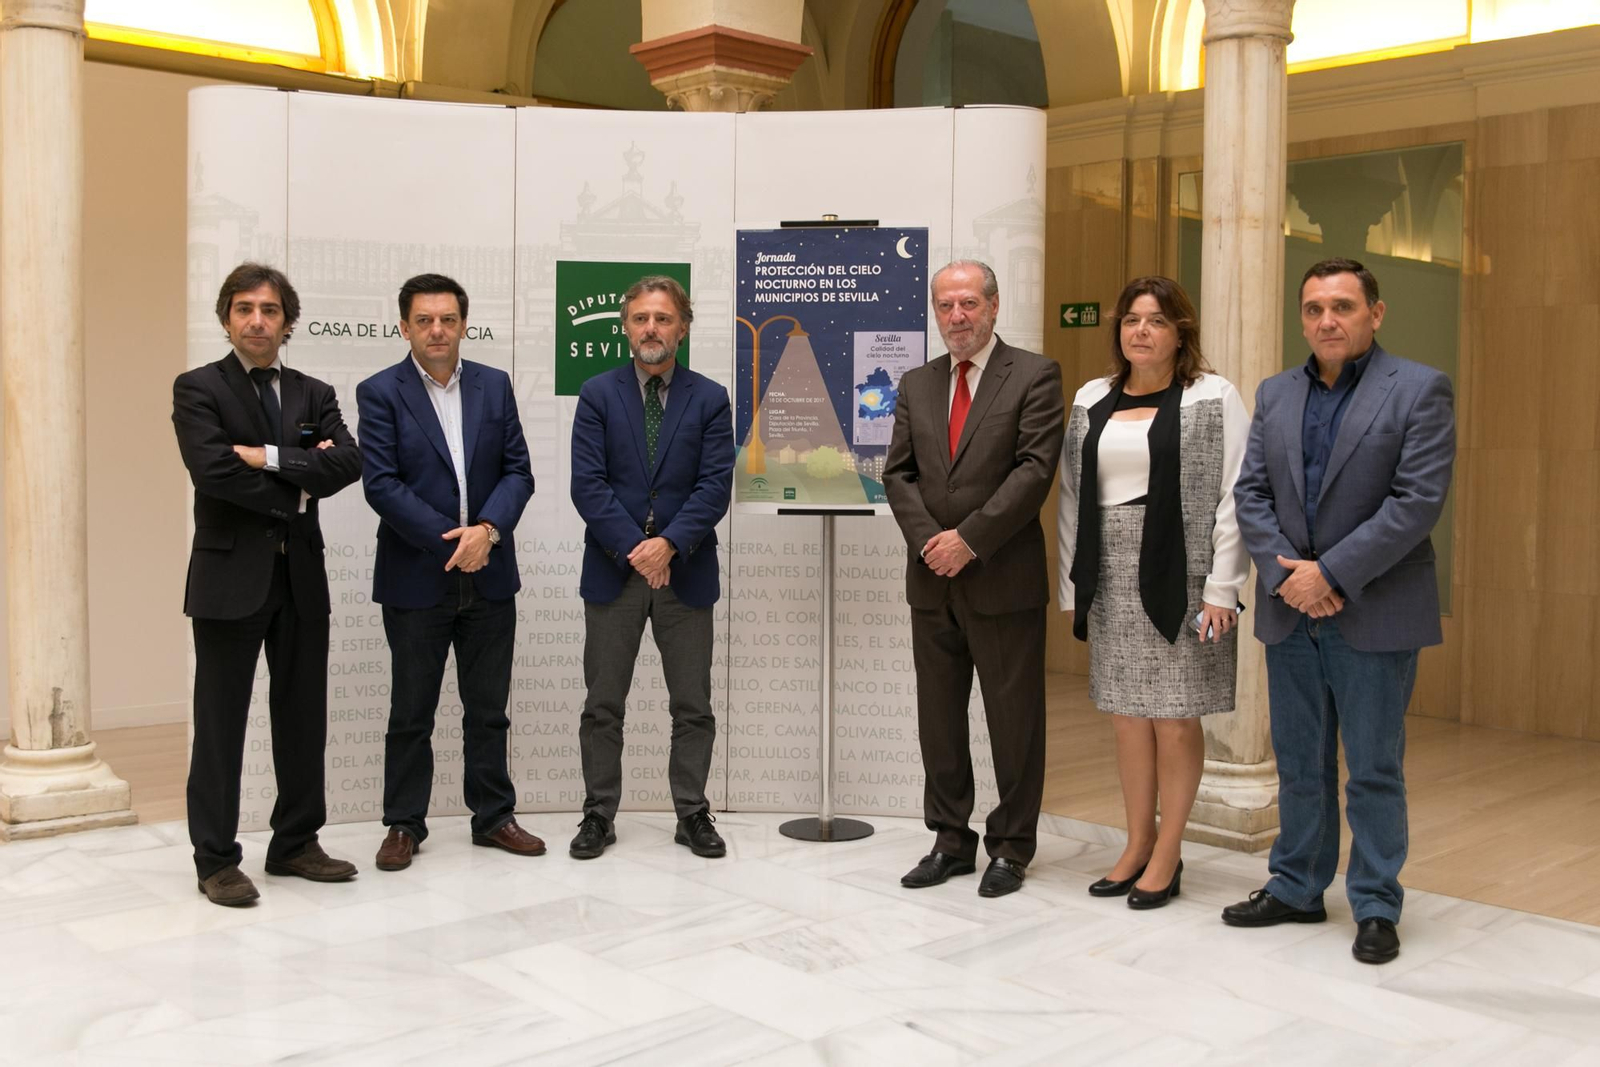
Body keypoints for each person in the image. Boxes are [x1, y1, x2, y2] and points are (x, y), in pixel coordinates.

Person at [1224, 257, 1455, 964]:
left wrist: (1331, 573)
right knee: (1299, 760)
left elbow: (1416, 502)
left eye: (1344, 307)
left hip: (1374, 609)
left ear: (1374, 314)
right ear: (1303, 317)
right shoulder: (1275, 393)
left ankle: (1377, 902)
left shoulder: (1418, 389)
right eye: (1315, 307)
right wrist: (1287, 575)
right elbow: (1252, 493)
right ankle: (1295, 884)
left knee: (1374, 765)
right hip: (1292, 610)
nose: (1328, 319)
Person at [172, 262, 363, 906]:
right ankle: (216, 858)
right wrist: (296, 492)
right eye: (245, 308)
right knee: (221, 722)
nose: (258, 320)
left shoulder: (312, 393)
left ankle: (295, 844)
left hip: (302, 579)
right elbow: (214, 472)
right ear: (226, 318)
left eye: (271, 310)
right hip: (229, 580)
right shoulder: (198, 389)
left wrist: (270, 457)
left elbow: (346, 463)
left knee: (304, 717)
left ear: (288, 322)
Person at [1056, 276, 1250, 909]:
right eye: (1132, 320)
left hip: (1181, 574)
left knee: (1173, 716)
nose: (1141, 330)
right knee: (1127, 716)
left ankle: (1169, 851)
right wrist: (1071, 584)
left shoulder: (1211, 396)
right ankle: (1137, 842)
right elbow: (1070, 497)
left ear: (1180, 333)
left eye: (1157, 321)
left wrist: (1223, 586)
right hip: (1107, 571)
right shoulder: (1091, 397)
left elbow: (1233, 495)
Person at [884, 259, 1065, 898]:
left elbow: (1034, 471)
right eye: (945, 306)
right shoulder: (916, 382)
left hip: (1002, 579)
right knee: (939, 719)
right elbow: (898, 474)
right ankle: (950, 841)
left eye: (967, 304)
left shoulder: (1036, 375)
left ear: (993, 305)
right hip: (932, 579)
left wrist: (970, 541)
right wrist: (933, 543)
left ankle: (1012, 847)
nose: (956, 317)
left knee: (1013, 720)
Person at [356, 273, 540, 870]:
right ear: (404, 326)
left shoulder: (494, 385)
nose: (437, 330)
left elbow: (519, 473)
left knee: (488, 708)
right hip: (418, 577)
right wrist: (455, 542)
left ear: (464, 323)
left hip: (489, 573)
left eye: (448, 319)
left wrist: (487, 533)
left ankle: (493, 817)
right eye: (424, 320)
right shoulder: (380, 391)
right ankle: (404, 824)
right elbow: (381, 485)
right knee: (412, 711)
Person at [568, 276, 734, 859]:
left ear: (682, 327)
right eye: (640, 319)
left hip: (685, 573)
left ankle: (692, 813)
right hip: (614, 572)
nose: (651, 330)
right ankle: (597, 815)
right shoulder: (597, 394)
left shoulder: (710, 398)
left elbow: (715, 488)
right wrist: (637, 549)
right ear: (625, 326)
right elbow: (588, 486)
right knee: (602, 704)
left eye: (663, 319)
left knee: (693, 706)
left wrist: (668, 545)